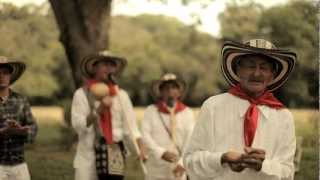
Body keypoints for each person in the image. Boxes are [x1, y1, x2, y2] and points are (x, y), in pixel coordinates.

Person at [183, 39, 297, 180]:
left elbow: (287, 171)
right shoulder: (213, 106)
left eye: (264, 68)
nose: (256, 74)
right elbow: (190, 162)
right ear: (238, 70)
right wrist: (222, 158)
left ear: (272, 75)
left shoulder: (283, 116)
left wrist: (262, 165)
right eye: (250, 66)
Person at [71, 51, 147, 180]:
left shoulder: (121, 95)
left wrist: (141, 147)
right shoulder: (81, 94)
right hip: (88, 157)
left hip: (114, 154)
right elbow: (78, 125)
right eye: (105, 64)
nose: (109, 68)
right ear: (94, 67)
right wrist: (99, 109)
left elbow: (131, 128)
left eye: (112, 65)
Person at [142, 73, 195, 180]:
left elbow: (190, 140)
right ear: (160, 92)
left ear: (179, 92)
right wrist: (161, 153)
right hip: (155, 167)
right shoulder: (151, 111)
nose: (170, 91)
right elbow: (145, 135)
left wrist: (182, 163)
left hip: (178, 168)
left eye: (174, 87)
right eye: (166, 88)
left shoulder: (187, 112)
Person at [0, 56, 37, 180]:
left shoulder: (21, 100)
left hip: (19, 165)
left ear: (10, 76)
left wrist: (22, 130)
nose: (2, 76)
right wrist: (3, 132)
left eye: (5, 72)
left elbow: (33, 128)